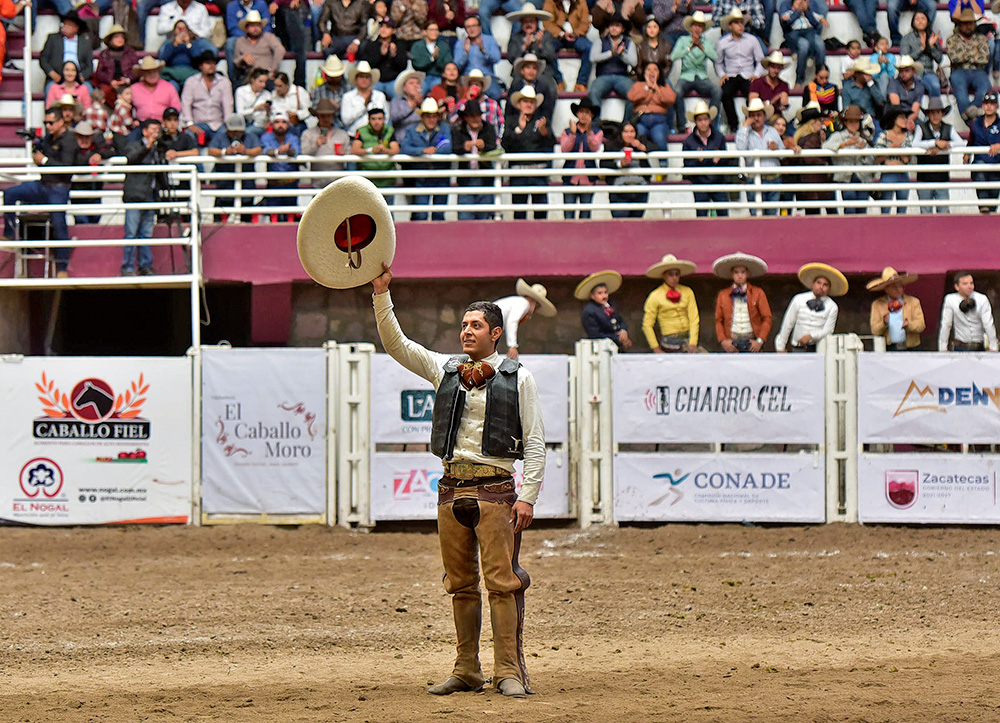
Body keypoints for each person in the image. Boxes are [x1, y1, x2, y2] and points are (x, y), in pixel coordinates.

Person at [371, 264, 543, 700]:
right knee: (460, 585)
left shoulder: (519, 377)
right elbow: (396, 345)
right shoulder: (444, 369)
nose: (467, 332)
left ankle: (509, 670)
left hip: (496, 491)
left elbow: (536, 442)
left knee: (501, 583)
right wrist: (381, 296)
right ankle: (467, 668)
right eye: (464, 325)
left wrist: (528, 497)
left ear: (496, 333)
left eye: (476, 326)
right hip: (451, 490)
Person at [2, 107, 76, 276]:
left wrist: (45, 160)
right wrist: (35, 143)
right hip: (43, 185)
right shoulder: (49, 139)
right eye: (45, 123)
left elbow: (67, 168)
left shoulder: (70, 141)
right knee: (10, 193)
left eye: (50, 122)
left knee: (59, 226)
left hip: (58, 188)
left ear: (60, 122)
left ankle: (62, 269)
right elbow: (40, 155)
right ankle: (8, 234)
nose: (48, 126)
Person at [121, 118, 164, 276]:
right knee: (131, 232)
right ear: (144, 131)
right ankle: (127, 266)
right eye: (153, 130)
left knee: (146, 233)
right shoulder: (134, 145)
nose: (156, 133)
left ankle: (146, 265)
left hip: (150, 195)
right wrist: (148, 145)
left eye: (158, 130)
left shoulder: (158, 149)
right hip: (135, 195)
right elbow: (132, 158)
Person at [501, 87, 551, 220]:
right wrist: (519, 129)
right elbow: (506, 145)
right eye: (525, 101)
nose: (528, 105)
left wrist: (544, 132)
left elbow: (550, 143)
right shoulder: (511, 122)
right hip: (519, 173)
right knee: (519, 211)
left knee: (541, 212)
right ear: (519, 104)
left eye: (532, 102)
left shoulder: (542, 122)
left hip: (539, 172)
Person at [775, 262, 847, 352]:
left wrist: (811, 336)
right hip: (797, 347)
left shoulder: (832, 306)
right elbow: (788, 323)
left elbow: (828, 330)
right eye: (818, 283)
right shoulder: (799, 299)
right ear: (813, 284)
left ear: (829, 288)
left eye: (825, 285)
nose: (821, 287)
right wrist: (780, 346)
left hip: (818, 348)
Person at [400, 98, 451, 220]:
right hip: (422, 177)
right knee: (420, 214)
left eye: (434, 116)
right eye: (428, 116)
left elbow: (448, 147)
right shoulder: (412, 130)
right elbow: (404, 148)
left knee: (439, 214)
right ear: (422, 117)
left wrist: (430, 152)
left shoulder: (444, 128)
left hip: (440, 177)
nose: (432, 119)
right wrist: (423, 151)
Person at [670, 11, 720, 133]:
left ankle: (712, 124)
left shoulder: (707, 42)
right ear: (691, 27)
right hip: (686, 76)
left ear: (703, 29)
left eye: (700, 26)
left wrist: (702, 47)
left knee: (717, 90)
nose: (697, 29)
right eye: (695, 25)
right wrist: (689, 47)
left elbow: (715, 57)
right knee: (676, 92)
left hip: (702, 76)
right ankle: (681, 126)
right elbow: (673, 56)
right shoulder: (683, 40)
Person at [912, 97, 964, 214]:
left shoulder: (948, 128)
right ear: (928, 114)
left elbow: (960, 143)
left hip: (942, 178)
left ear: (942, 114)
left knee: (944, 212)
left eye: (938, 112)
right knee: (925, 212)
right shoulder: (921, 128)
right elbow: (914, 145)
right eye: (932, 113)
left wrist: (945, 145)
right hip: (924, 179)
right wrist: (934, 142)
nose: (935, 116)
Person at [715, 9, 764, 133]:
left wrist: (756, 74)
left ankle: (751, 124)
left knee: (753, 95)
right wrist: (722, 74)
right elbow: (718, 62)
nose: (741, 26)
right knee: (725, 94)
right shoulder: (723, 43)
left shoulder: (752, 40)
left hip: (748, 75)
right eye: (737, 23)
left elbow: (761, 61)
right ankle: (734, 125)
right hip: (731, 75)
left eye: (742, 23)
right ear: (730, 26)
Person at [207, 114, 263, 218]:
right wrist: (224, 152)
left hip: (246, 185)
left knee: (246, 217)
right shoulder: (220, 137)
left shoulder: (250, 137)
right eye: (233, 131)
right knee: (218, 219)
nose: (236, 134)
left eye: (238, 131)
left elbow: (259, 150)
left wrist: (246, 151)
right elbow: (211, 150)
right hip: (224, 185)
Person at [713, 252, 771, 352]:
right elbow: (718, 320)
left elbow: (767, 318)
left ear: (747, 273)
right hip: (732, 342)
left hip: (752, 341)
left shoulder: (758, 293)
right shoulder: (723, 295)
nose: (740, 275)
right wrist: (723, 340)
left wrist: (760, 341)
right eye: (736, 272)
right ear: (732, 274)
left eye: (743, 272)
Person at [823, 104, 875, 214]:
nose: (853, 124)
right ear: (845, 122)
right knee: (850, 204)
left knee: (862, 208)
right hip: (845, 177)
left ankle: (860, 230)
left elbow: (871, 160)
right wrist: (843, 145)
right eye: (850, 121)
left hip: (862, 178)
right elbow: (825, 147)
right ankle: (850, 230)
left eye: (856, 122)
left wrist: (864, 151)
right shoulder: (838, 136)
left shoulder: (864, 138)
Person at [642, 254, 699, 352]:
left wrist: (693, 342)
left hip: (687, 340)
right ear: (664, 276)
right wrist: (655, 348)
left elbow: (694, 318)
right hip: (669, 341)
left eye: (677, 274)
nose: (674, 277)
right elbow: (647, 324)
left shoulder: (687, 291)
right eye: (671, 274)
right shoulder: (655, 295)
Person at [682, 100, 729, 216]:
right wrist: (709, 160)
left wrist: (718, 159)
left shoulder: (719, 137)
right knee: (702, 215)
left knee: (723, 214)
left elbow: (727, 160)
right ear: (695, 122)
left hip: (718, 182)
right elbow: (687, 165)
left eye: (705, 119)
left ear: (709, 120)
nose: (703, 123)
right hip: (700, 183)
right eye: (700, 120)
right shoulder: (689, 142)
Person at [735, 97, 781, 215]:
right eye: (753, 115)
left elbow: (783, 154)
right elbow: (740, 148)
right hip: (755, 179)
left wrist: (777, 148)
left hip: (773, 179)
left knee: (772, 215)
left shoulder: (773, 131)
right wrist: (745, 126)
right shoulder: (743, 132)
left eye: (759, 115)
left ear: (764, 116)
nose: (756, 118)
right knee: (756, 215)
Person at [559, 99, 604, 220]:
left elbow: (594, 147)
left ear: (592, 115)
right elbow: (564, 149)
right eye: (582, 112)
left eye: (587, 112)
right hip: (570, 178)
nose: (584, 115)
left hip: (588, 178)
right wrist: (573, 134)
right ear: (577, 114)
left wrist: (589, 132)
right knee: (568, 214)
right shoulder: (567, 131)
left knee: (585, 214)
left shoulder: (597, 132)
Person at [453, 101, 498, 220]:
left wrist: (485, 146)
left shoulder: (489, 128)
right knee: (464, 217)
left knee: (484, 217)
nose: (475, 119)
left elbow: (494, 146)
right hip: (466, 180)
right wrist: (463, 148)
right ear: (466, 117)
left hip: (485, 179)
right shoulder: (458, 130)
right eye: (471, 116)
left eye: (477, 115)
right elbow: (453, 148)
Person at [588, 15, 637, 120]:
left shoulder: (629, 42)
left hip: (622, 77)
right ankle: (597, 125)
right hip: (603, 76)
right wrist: (610, 53)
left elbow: (634, 62)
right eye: (611, 26)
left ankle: (626, 125)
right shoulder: (600, 41)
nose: (614, 28)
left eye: (617, 26)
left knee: (634, 94)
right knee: (593, 92)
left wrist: (621, 54)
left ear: (622, 29)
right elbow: (593, 57)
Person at [493, 279, 558, 358]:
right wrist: (512, 346)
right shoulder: (524, 303)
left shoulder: (517, 301)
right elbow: (512, 321)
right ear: (535, 304)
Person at [602, 120, 652, 218]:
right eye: (626, 132)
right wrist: (620, 164)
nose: (629, 135)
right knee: (621, 225)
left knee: (637, 225)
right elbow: (603, 163)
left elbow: (658, 148)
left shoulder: (640, 144)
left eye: (632, 131)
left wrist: (642, 147)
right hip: (619, 191)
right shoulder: (611, 146)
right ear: (620, 133)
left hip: (640, 190)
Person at [947, 9, 991, 122]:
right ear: (960, 25)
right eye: (965, 24)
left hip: (978, 72)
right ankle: (973, 120)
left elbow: (984, 58)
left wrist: (965, 56)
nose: (968, 26)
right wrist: (974, 55)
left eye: (971, 23)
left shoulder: (982, 38)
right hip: (959, 72)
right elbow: (954, 58)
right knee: (961, 92)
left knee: (985, 87)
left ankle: (968, 114)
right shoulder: (952, 40)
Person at [867, 267, 924, 350]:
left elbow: (921, 325)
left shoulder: (913, 302)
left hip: (911, 347)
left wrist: (909, 325)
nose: (899, 289)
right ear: (886, 289)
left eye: (901, 286)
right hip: (888, 348)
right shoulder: (878, 304)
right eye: (894, 287)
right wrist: (884, 323)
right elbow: (875, 330)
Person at [938, 272, 998, 351]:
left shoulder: (982, 299)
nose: (969, 286)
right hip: (960, 346)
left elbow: (988, 323)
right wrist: (943, 348)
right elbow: (946, 324)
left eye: (971, 283)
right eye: (965, 284)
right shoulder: (950, 299)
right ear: (957, 286)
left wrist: (993, 346)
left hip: (979, 346)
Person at [180, 50, 232, 143]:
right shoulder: (191, 82)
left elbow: (228, 106)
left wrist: (228, 125)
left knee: (226, 137)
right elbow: (186, 104)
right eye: (208, 63)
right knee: (188, 135)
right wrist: (190, 124)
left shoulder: (224, 82)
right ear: (201, 66)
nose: (211, 66)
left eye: (213, 63)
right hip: (198, 124)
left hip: (218, 124)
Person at [789, 103, 832, 215]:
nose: (821, 123)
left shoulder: (801, 138)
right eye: (819, 121)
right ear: (813, 123)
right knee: (831, 212)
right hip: (817, 182)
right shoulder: (813, 138)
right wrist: (825, 164)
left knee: (812, 214)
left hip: (808, 182)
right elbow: (809, 157)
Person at [777, 0, 827, 90]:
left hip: (810, 31)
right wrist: (797, 12)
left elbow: (817, 25)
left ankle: (820, 78)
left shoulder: (811, 3)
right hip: (794, 32)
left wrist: (807, 11)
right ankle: (799, 80)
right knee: (804, 46)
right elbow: (785, 25)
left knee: (820, 45)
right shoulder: (786, 4)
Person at [576, 270, 632, 350]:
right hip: (601, 350)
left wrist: (623, 331)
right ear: (592, 296)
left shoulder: (611, 305)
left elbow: (620, 320)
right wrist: (619, 338)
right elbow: (595, 335)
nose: (604, 296)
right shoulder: (589, 311)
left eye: (605, 292)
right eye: (600, 293)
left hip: (617, 348)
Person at [261, 112, 301, 221]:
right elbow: (266, 150)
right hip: (273, 183)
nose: (280, 125)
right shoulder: (266, 137)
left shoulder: (292, 137)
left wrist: (288, 151)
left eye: (284, 122)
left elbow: (296, 151)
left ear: (288, 125)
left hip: (290, 182)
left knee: (290, 214)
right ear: (272, 124)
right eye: (277, 122)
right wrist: (278, 151)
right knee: (274, 215)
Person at [543, 0, 591, 92]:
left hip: (576, 36)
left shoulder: (581, 2)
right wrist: (561, 33)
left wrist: (576, 33)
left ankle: (581, 83)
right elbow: (548, 23)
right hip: (557, 36)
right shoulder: (550, 2)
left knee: (589, 48)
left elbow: (585, 22)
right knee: (547, 47)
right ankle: (559, 81)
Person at [301, 99, 351, 187]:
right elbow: (303, 153)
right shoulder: (308, 133)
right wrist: (315, 145)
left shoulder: (342, 134)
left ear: (332, 116)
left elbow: (350, 154)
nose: (326, 119)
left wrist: (345, 153)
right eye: (322, 116)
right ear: (317, 116)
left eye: (328, 115)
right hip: (317, 181)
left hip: (338, 182)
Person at [874, 104, 914, 215]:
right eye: (902, 117)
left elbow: (907, 159)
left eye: (905, 117)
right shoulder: (883, 135)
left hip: (902, 173)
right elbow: (877, 159)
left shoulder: (908, 136)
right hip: (888, 173)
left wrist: (896, 147)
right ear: (894, 118)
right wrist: (892, 148)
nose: (905, 120)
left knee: (902, 208)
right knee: (885, 208)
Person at [351, 107, 399, 194]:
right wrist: (371, 150)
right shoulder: (361, 131)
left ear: (384, 119)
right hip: (367, 180)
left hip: (387, 178)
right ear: (368, 120)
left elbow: (396, 150)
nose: (377, 122)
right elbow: (354, 150)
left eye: (380, 119)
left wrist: (385, 150)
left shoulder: (390, 130)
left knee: (388, 207)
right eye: (373, 119)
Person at [40, 12, 94, 91]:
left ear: (76, 28)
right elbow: (43, 60)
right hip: (57, 78)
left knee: (87, 89)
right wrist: (52, 74)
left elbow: (89, 66)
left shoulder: (85, 43)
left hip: (78, 78)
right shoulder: (53, 39)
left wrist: (82, 77)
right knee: (50, 88)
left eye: (69, 25)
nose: (65, 27)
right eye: (64, 24)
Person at [966, 91, 1000, 213]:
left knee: (994, 196)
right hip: (980, 162)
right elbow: (971, 140)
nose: (989, 106)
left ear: (997, 106)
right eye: (986, 103)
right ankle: (983, 206)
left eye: (992, 103)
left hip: (996, 165)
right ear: (982, 105)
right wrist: (966, 155)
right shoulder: (975, 123)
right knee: (979, 175)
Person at [628, 62, 675, 149]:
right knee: (638, 138)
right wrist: (647, 88)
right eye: (649, 70)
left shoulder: (665, 86)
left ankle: (663, 163)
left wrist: (656, 88)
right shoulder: (638, 85)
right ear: (644, 73)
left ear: (659, 73)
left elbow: (671, 99)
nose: (652, 72)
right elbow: (632, 97)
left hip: (659, 121)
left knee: (659, 138)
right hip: (641, 121)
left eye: (655, 70)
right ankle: (640, 162)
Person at [453, 16, 502, 100]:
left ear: (480, 27)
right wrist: (465, 53)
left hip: (486, 77)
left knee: (496, 94)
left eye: (474, 26)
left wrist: (483, 50)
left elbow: (497, 59)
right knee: (460, 96)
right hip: (467, 78)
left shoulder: (489, 40)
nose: (471, 29)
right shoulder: (460, 43)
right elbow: (457, 65)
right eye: (468, 27)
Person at [233, 10, 286, 86]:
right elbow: (236, 61)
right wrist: (243, 58)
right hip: (249, 77)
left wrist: (273, 70)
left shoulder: (268, 37)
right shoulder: (240, 41)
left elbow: (280, 50)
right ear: (247, 28)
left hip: (267, 76)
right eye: (252, 26)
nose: (255, 28)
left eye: (258, 25)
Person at [506, 3, 557, 82]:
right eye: (525, 22)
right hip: (521, 75)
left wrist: (540, 45)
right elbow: (511, 58)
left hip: (543, 74)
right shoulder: (515, 37)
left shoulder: (545, 35)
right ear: (521, 23)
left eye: (531, 21)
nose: (528, 24)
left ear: (537, 22)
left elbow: (551, 56)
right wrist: (524, 47)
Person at [158, 19, 215, 89]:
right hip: (173, 73)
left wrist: (188, 44)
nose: (181, 31)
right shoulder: (169, 44)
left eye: (183, 29)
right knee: (172, 86)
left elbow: (197, 59)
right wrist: (175, 44)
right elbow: (164, 58)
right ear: (174, 31)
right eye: (179, 29)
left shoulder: (194, 44)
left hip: (190, 72)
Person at [225, 0, 272, 83]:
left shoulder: (261, 4)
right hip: (239, 36)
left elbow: (267, 25)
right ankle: (233, 79)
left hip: (260, 34)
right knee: (230, 43)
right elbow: (232, 27)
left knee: (274, 40)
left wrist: (258, 36)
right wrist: (247, 37)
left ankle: (271, 74)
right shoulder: (232, 6)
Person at [505, 53, 558, 126]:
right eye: (528, 67)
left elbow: (547, 112)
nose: (531, 71)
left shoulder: (544, 88)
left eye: (534, 68)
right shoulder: (515, 86)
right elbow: (509, 110)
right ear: (522, 71)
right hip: (516, 125)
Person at [360, 16, 407, 98]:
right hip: (376, 81)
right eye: (382, 27)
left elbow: (403, 66)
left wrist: (394, 55)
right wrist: (380, 54)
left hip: (393, 81)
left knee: (399, 98)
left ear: (393, 30)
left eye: (388, 27)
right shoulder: (371, 45)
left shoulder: (399, 45)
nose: (383, 30)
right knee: (370, 98)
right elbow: (367, 65)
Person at [93, 24, 140, 103]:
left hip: (128, 82)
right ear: (110, 39)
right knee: (105, 92)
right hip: (110, 83)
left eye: (122, 37)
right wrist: (110, 81)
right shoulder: (104, 54)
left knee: (135, 92)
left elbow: (136, 69)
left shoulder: (130, 52)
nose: (120, 39)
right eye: (116, 37)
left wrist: (128, 79)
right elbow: (100, 72)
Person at [899, 10, 942, 97]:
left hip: (928, 72)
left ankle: (934, 110)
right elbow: (904, 59)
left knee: (935, 86)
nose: (920, 21)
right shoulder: (907, 38)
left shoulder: (932, 37)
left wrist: (931, 47)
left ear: (927, 22)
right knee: (914, 90)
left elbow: (939, 59)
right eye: (917, 19)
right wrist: (921, 48)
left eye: (923, 19)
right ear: (913, 22)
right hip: (912, 73)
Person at [342, 60, 389, 135]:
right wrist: (364, 106)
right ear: (356, 79)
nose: (364, 80)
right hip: (354, 136)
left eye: (367, 77)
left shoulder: (379, 96)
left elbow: (386, 117)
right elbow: (346, 120)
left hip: (375, 137)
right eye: (361, 77)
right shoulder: (348, 97)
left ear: (371, 80)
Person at [271, 0, 310, 89]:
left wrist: (277, 2)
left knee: (292, 13)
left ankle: (300, 83)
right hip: (279, 9)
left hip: (296, 6)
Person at [132, 56, 182, 124]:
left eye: (154, 71)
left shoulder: (169, 87)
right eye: (148, 72)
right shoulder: (134, 88)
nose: (152, 74)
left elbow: (176, 108)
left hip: (163, 124)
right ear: (142, 73)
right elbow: (126, 107)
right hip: (141, 125)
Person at [410, 21, 453, 91]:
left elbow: (447, 64)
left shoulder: (444, 46)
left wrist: (437, 59)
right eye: (431, 30)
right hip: (422, 78)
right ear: (425, 32)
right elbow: (416, 64)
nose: (434, 32)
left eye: (436, 30)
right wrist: (431, 58)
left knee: (439, 91)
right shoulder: (417, 46)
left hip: (438, 77)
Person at [887, 56, 926, 130]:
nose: (903, 74)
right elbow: (896, 106)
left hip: (910, 117)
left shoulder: (919, 87)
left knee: (923, 129)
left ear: (914, 71)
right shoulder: (893, 83)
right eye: (901, 71)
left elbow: (915, 110)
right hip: (894, 116)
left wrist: (908, 121)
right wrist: (903, 122)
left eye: (907, 71)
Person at [748, 50, 790, 118]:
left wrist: (784, 104)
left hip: (776, 117)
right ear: (768, 67)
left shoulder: (784, 85)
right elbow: (753, 104)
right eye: (773, 67)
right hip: (759, 116)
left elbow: (784, 102)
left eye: (778, 68)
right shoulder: (757, 83)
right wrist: (772, 101)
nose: (775, 71)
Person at [270, 72, 313, 136]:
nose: (277, 89)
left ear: (287, 85)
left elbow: (308, 110)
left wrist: (296, 113)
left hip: (296, 123)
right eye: (275, 86)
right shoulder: (274, 94)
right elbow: (272, 112)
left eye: (280, 86)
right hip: (279, 123)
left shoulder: (299, 91)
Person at [635, 17, 672, 87]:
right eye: (649, 27)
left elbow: (668, 65)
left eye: (655, 27)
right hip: (644, 78)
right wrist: (646, 77)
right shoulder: (640, 46)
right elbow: (638, 66)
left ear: (659, 30)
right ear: (645, 29)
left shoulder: (666, 45)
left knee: (669, 91)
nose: (652, 30)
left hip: (662, 78)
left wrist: (659, 77)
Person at [235, 67, 273, 134]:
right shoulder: (241, 91)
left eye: (265, 82)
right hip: (244, 123)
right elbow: (239, 113)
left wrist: (268, 112)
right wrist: (255, 109)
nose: (263, 85)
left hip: (259, 125)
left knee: (248, 132)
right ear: (252, 80)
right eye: (261, 81)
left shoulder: (267, 94)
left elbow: (269, 116)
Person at [389, 67, 425, 136]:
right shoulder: (397, 101)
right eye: (411, 83)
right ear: (404, 88)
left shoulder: (425, 102)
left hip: (421, 138)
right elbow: (394, 117)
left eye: (418, 83)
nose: (415, 86)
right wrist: (413, 104)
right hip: (403, 137)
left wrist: (421, 106)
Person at [312, 56, 348, 122]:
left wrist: (340, 107)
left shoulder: (349, 88)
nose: (333, 78)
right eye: (331, 76)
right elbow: (314, 109)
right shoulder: (318, 90)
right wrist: (325, 106)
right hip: (325, 122)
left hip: (346, 123)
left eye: (336, 76)